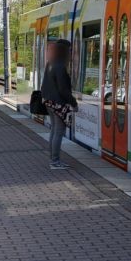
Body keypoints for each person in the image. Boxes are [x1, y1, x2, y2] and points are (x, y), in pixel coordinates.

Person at [41, 39, 77, 170]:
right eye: (70, 50)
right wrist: (74, 103)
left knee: (54, 130)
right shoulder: (61, 66)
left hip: (49, 101)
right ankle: (55, 161)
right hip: (58, 103)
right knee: (59, 132)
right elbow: (63, 89)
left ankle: (53, 158)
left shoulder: (50, 63)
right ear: (65, 51)